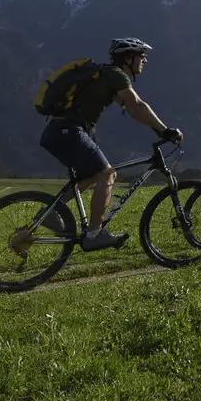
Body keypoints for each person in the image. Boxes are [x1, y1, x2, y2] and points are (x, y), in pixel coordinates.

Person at [39, 37, 184, 251]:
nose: (145, 60)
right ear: (128, 58)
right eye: (141, 56)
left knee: (90, 175)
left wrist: (158, 129)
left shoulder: (104, 75)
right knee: (108, 174)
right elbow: (136, 104)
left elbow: (134, 110)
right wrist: (165, 130)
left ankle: (50, 213)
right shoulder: (115, 75)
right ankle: (95, 234)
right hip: (69, 131)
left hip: (58, 132)